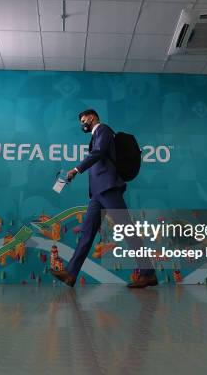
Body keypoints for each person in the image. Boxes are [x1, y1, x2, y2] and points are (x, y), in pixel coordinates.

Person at [51, 109, 158, 288]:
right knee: (87, 233)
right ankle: (71, 273)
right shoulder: (95, 136)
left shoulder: (103, 130)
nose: (82, 124)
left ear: (92, 118)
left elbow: (99, 152)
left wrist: (75, 170)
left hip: (108, 188)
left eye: (84, 120)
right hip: (97, 193)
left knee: (127, 230)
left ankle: (148, 274)